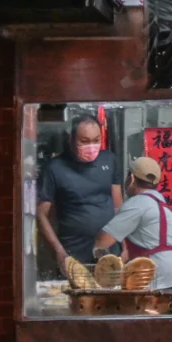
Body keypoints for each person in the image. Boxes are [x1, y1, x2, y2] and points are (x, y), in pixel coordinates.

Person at [37, 114, 122, 269]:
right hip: (73, 256)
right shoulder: (54, 168)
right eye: (84, 141)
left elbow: (119, 207)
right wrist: (58, 251)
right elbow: (41, 215)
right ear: (71, 141)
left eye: (96, 140)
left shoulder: (109, 160)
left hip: (109, 254)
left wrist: (126, 246)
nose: (91, 146)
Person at [93, 157, 172, 291]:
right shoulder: (161, 204)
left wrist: (105, 267)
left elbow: (102, 241)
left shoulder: (138, 203)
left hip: (157, 285)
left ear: (131, 178)